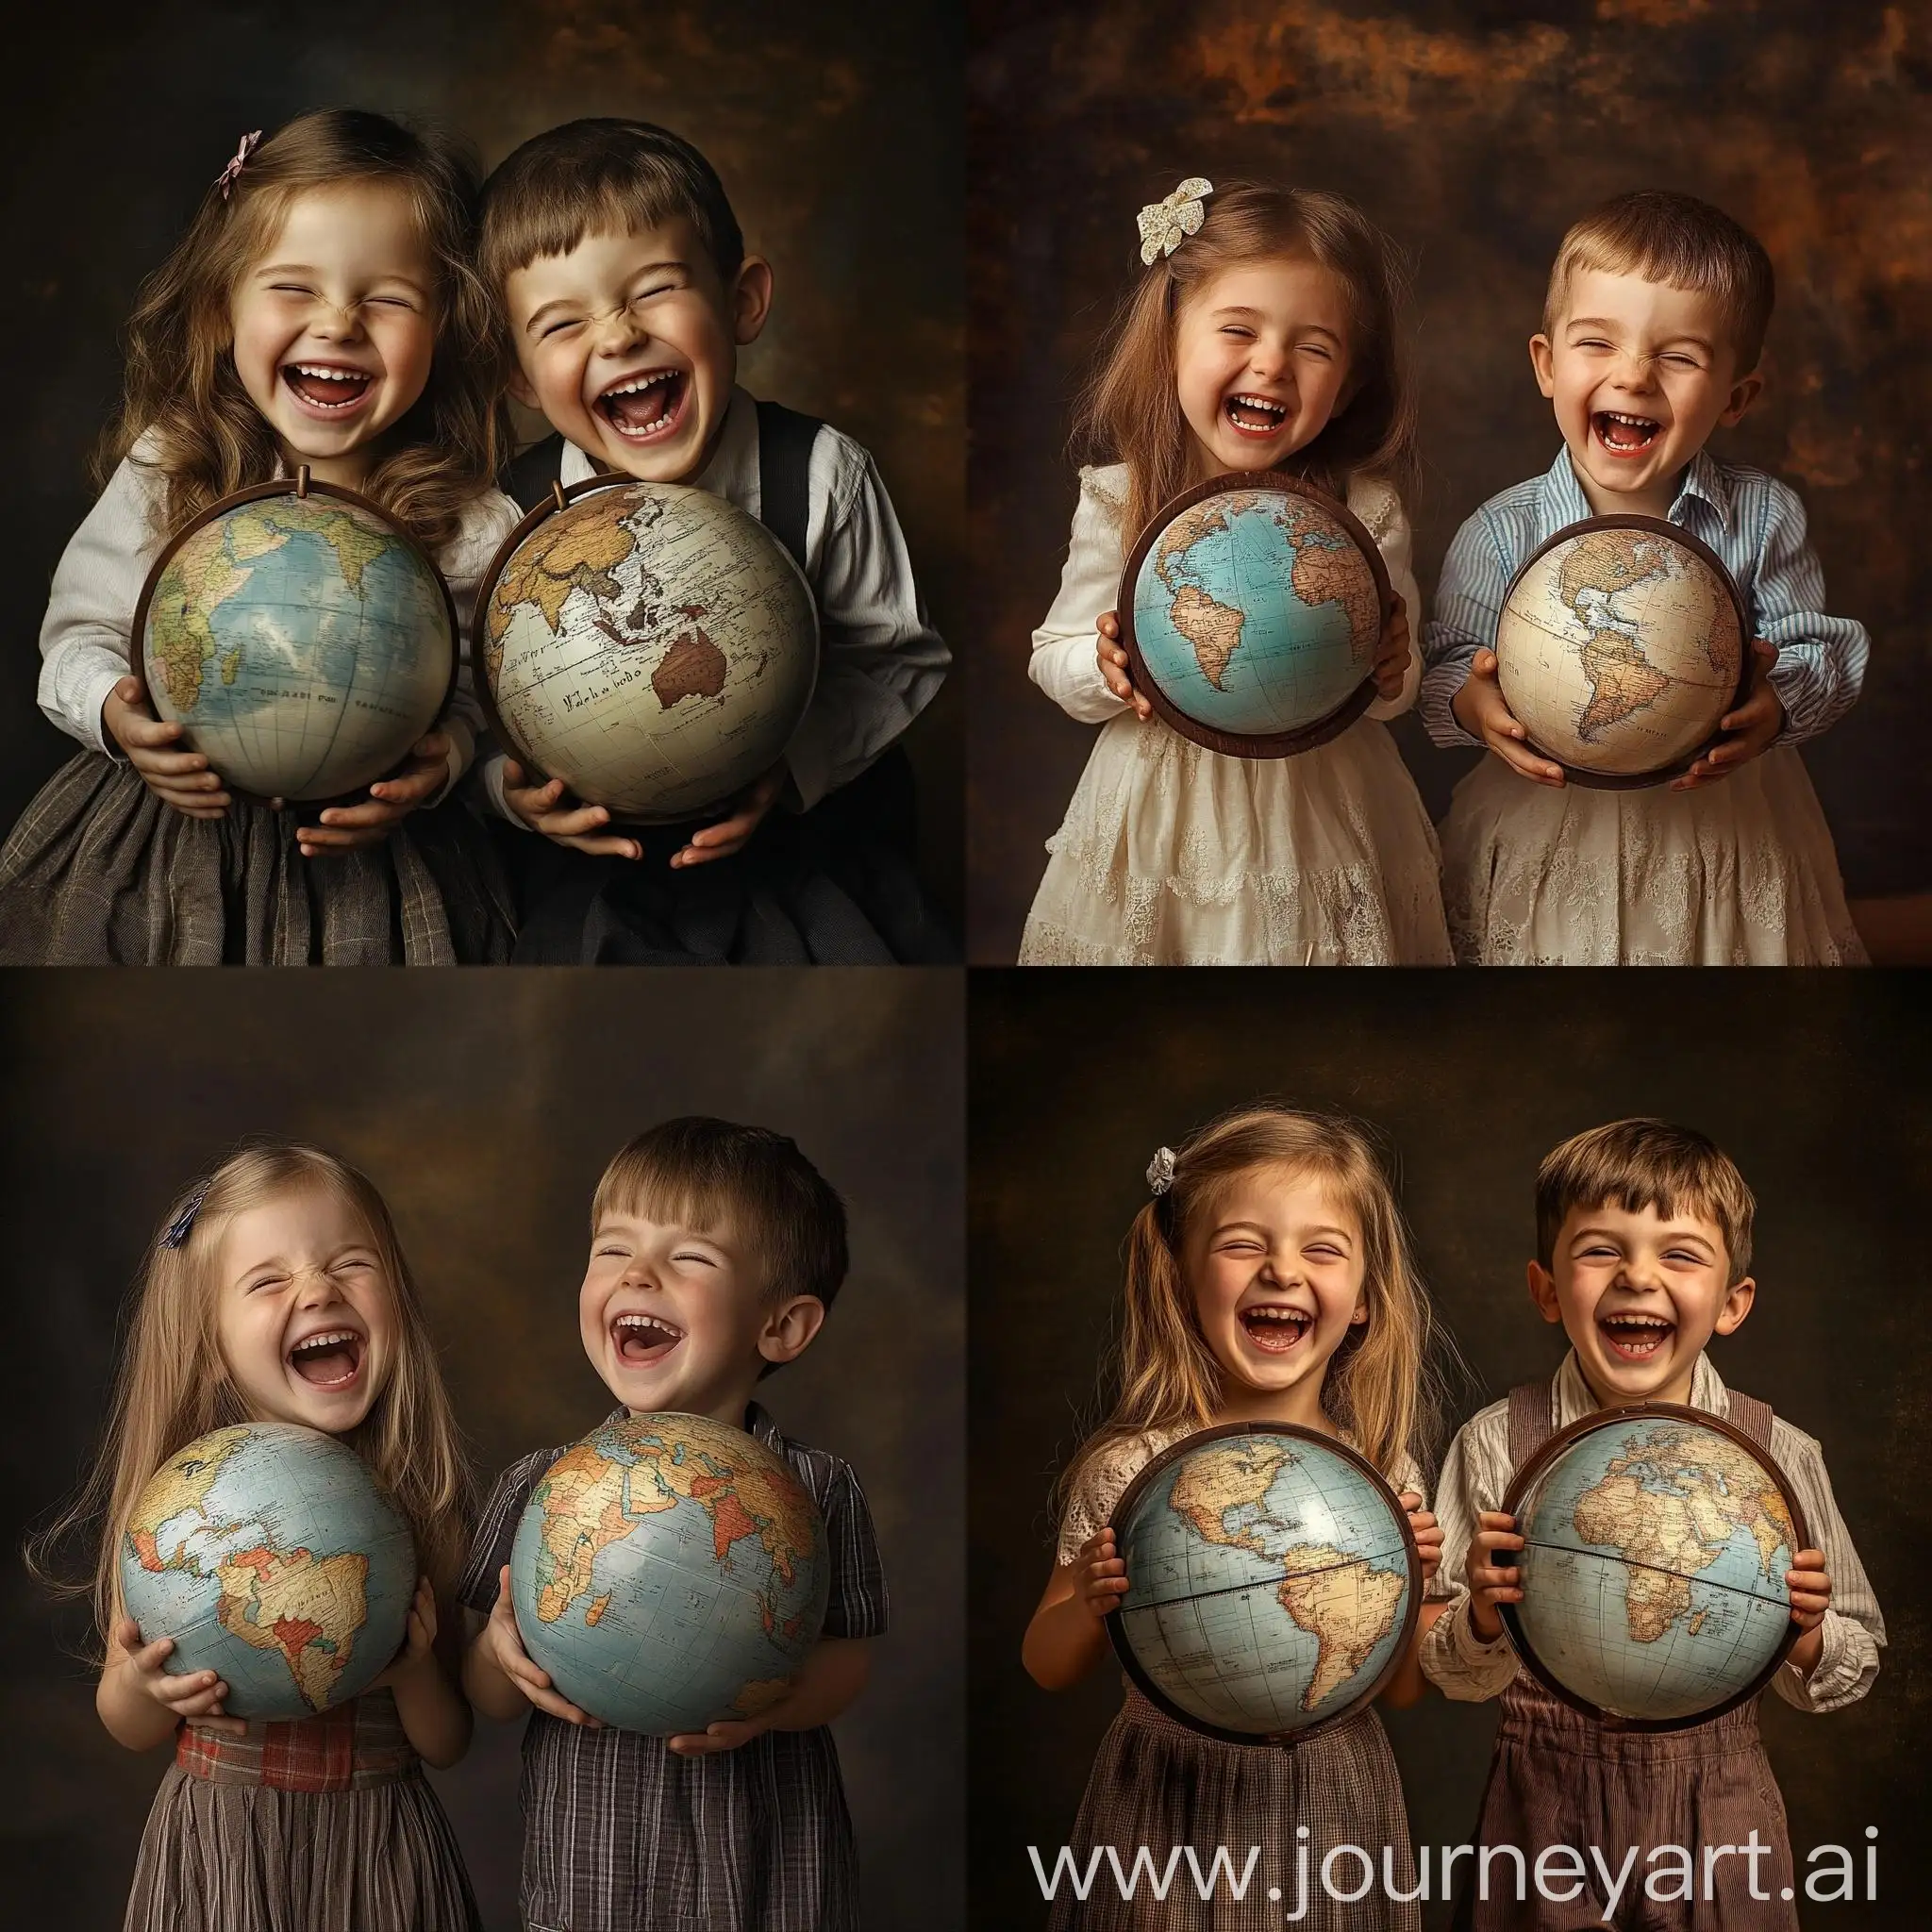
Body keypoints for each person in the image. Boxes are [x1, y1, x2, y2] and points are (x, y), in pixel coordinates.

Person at [0, 110, 521, 963]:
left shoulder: (470, 519)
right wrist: (113, 714)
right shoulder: (177, 464)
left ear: (447, 330)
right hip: (161, 848)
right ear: (219, 309)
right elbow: (77, 635)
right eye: (293, 286)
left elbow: (483, 697)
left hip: (382, 875)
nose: (339, 323)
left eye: (387, 298)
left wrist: (448, 757)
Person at [473, 118, 953, 962]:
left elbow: (898, 657)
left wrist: (789, 773)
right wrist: (510, 797)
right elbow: (463, 710)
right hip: (588, 874)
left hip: (803, 854)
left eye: (654, 289)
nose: (616, 336)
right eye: (561, 324)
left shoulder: (824, 474)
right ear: (515, 374)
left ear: (742, 301)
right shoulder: (506, 517)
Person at [1423, 1119, 1884, 1928]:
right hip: (1542, 1818)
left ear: (1733, 1303)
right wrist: (1483, 1618)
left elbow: (1855, 1657)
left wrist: (1808, 1634)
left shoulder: (1781, 1455)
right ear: (1545, 1290)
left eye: (1680, 1254)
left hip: (1722, 1812)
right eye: (1602, 1250)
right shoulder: (1496, 1443)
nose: (1638, 1277)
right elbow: (1447, 1667)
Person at [29, 1144, 479, 1930]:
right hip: (223, 1849)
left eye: (351, 1263)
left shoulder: (419, 1511)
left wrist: (411, 1674)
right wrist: (146, 1687)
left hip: (374, 1850)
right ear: (211, 1351)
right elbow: (127, 1722)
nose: (318, 1289)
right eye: (270, 1280)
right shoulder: (184, 1521)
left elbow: (446, 1743)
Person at [1022, 1108, 1449, 1929]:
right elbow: (1045, 1664)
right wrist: (1086, 1602)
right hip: (1164, 1796)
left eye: (1321, 1249)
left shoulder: (1384, 1478)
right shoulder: (1130, 1470)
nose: (1282, 1271)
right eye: (1243, 1243)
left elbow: (1397, 1691)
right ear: (1181, 1281)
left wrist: (1410, 1587)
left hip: (1336, 1804)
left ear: (1362, 1302)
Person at [1419, 191, 1869, 964]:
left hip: (1725, 826)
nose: (1633, 377)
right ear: (1546, 365)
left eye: (1679, 356)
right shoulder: (1501, 530)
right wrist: (1471, 698)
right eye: (1598, 343)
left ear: (1735, 398)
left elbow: (1815, 649)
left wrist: (1776, 705)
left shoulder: (1762, 519)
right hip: (1545, 824)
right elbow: (1449, 657)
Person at [460, 1118, 888, 1931]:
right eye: (612, 1250)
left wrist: (776, 1702)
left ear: (782, 1327)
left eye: (690, 1256)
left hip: (766, 1883)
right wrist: (496, 1653)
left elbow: (848, 1664)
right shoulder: (542, 1489)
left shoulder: (818, 1489)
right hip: (591, 1883)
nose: (639, 1274)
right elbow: (485, 1688)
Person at [1019, 178, 1450, 965]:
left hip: (1324, 812)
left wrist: (1393, 670)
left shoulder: (1367, 510)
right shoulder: (1121, 501)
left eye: (1314, 347)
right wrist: (1105, 667)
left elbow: (1399, 691)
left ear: (1348, 383)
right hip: (1161, 815)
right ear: (1172, 339)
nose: (1273, 366)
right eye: (1239, 331)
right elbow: (1053, 653)